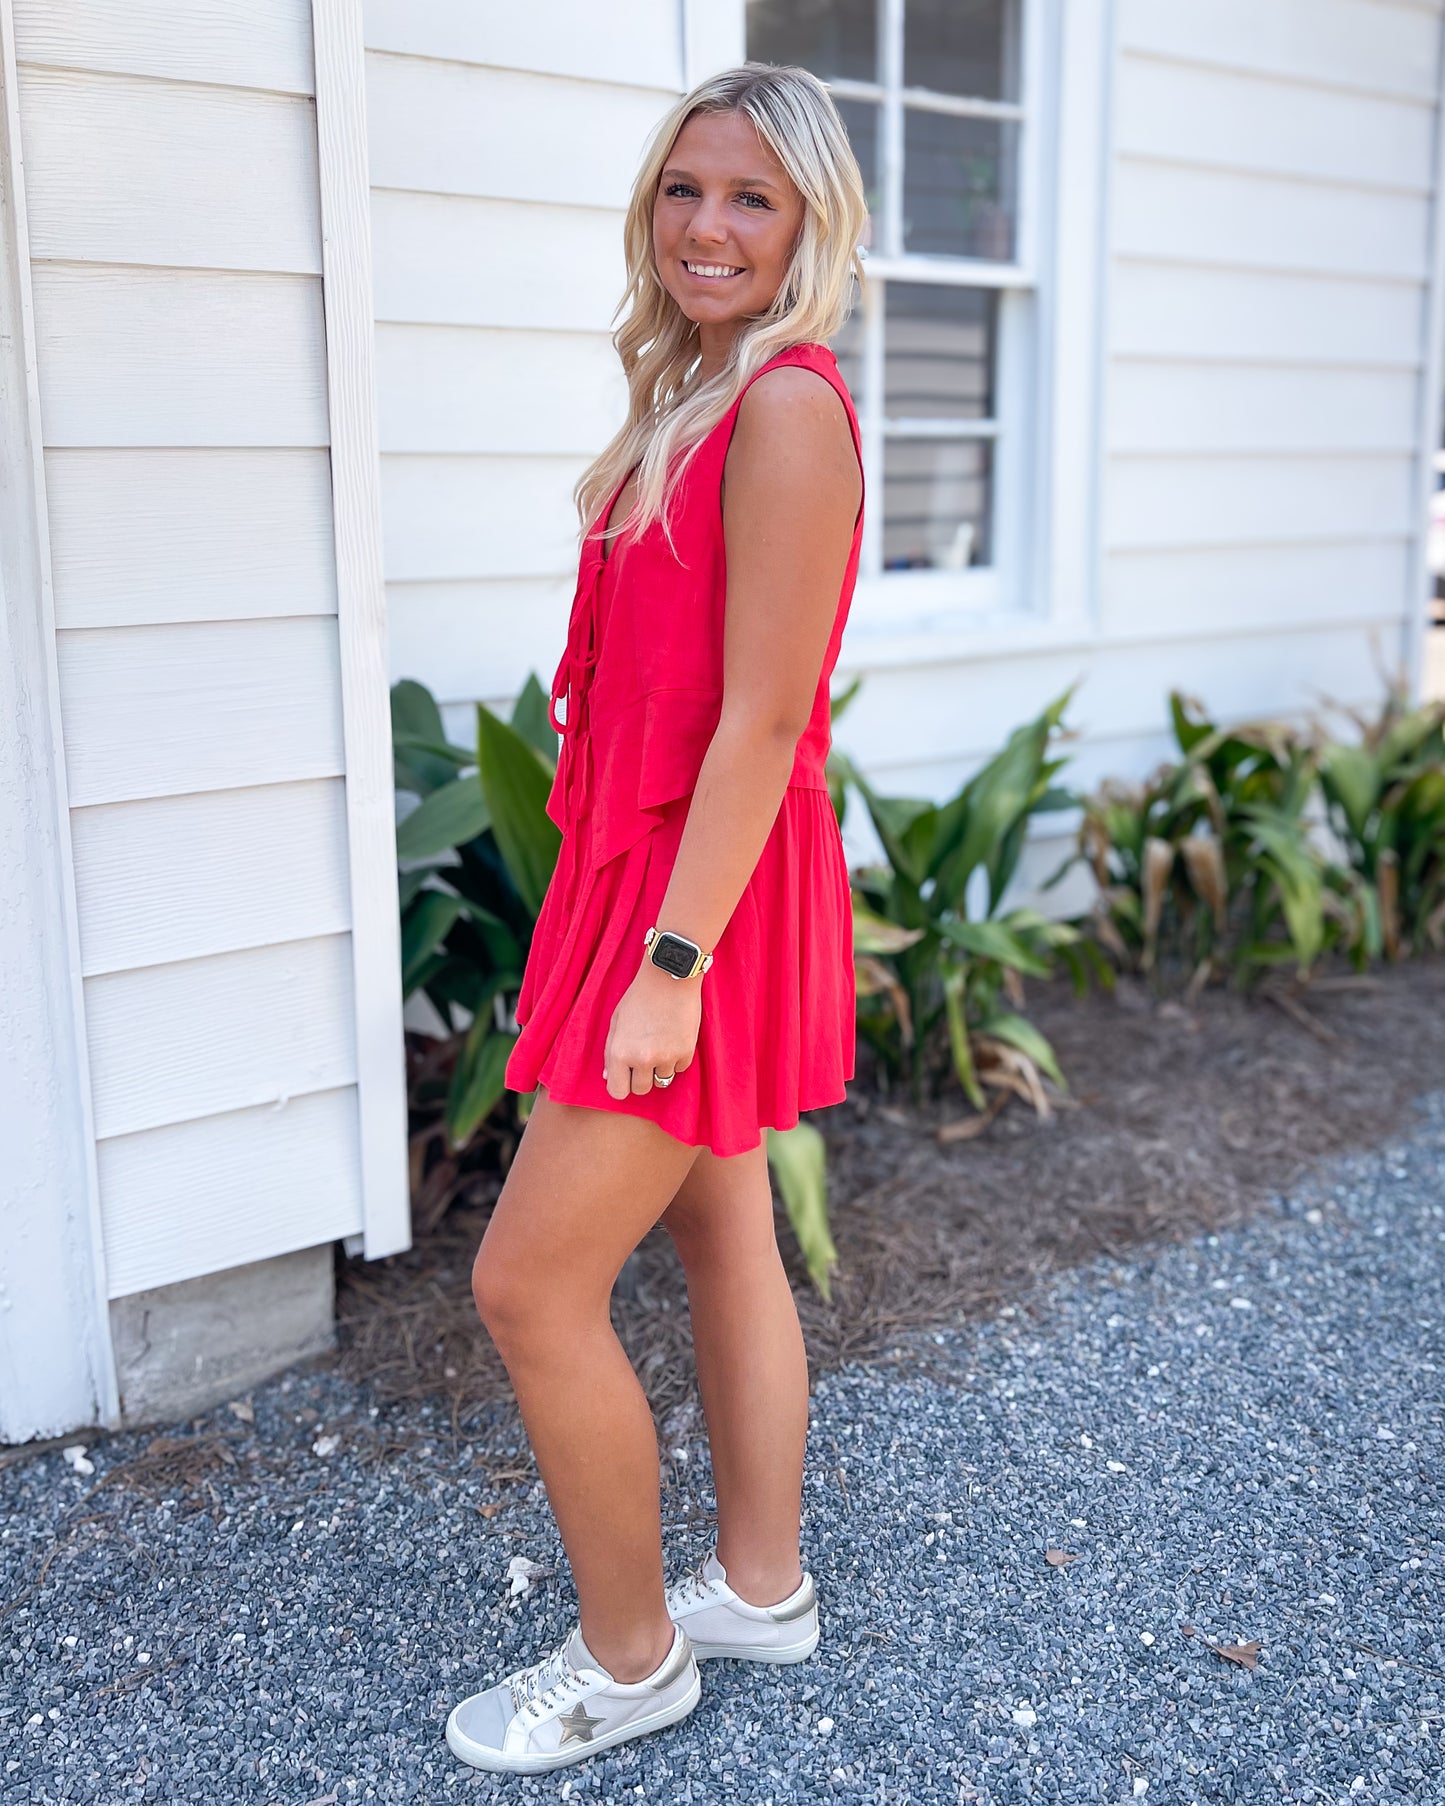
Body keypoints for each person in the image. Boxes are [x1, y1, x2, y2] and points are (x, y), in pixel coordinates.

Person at [445, 61, 868, 1775]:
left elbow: (762, 720)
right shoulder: (703, 391)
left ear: (809, 225)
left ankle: (631, 1663)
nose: (706, 224)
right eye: (684, 188)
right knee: (722, 1231)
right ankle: (759, 1587)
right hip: (663, 868)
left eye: (750, 197)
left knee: (528, 1284)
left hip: (701, 895)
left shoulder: (785, 408)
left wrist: (670, 964)